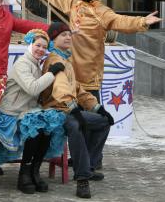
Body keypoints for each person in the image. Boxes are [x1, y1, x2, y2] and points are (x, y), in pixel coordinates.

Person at [23, 0, 161, 105]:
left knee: (94, 120)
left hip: (88, 80)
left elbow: (121, 20)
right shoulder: (74, 4)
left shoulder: (102, 12)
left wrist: (142, 21)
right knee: (71, 119)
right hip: (69, 75)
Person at [0, 29, 66, 194]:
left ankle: (34, 171)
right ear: (30, 45)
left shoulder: (35, 64)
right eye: (37, 45)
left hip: (26, 111)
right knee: (33, 130)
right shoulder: (22, 63)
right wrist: (52, 72)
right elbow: (32, 88)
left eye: (44, 47)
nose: (40, 49)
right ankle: (24, 175)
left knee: (47, 129)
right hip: (11, 113)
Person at [40, 22, 113, 199]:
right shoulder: (55, 60)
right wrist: (74, 110)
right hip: (56, 110)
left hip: (67, 108)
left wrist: (97, 107)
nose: (67, 37)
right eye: (62, 35)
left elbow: (77, 89)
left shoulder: (65, 59)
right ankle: (82, 179)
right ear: (53, 40)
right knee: (75, 126)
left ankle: (88, 165)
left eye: (68, 34)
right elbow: (61, 89)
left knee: (103, 121)